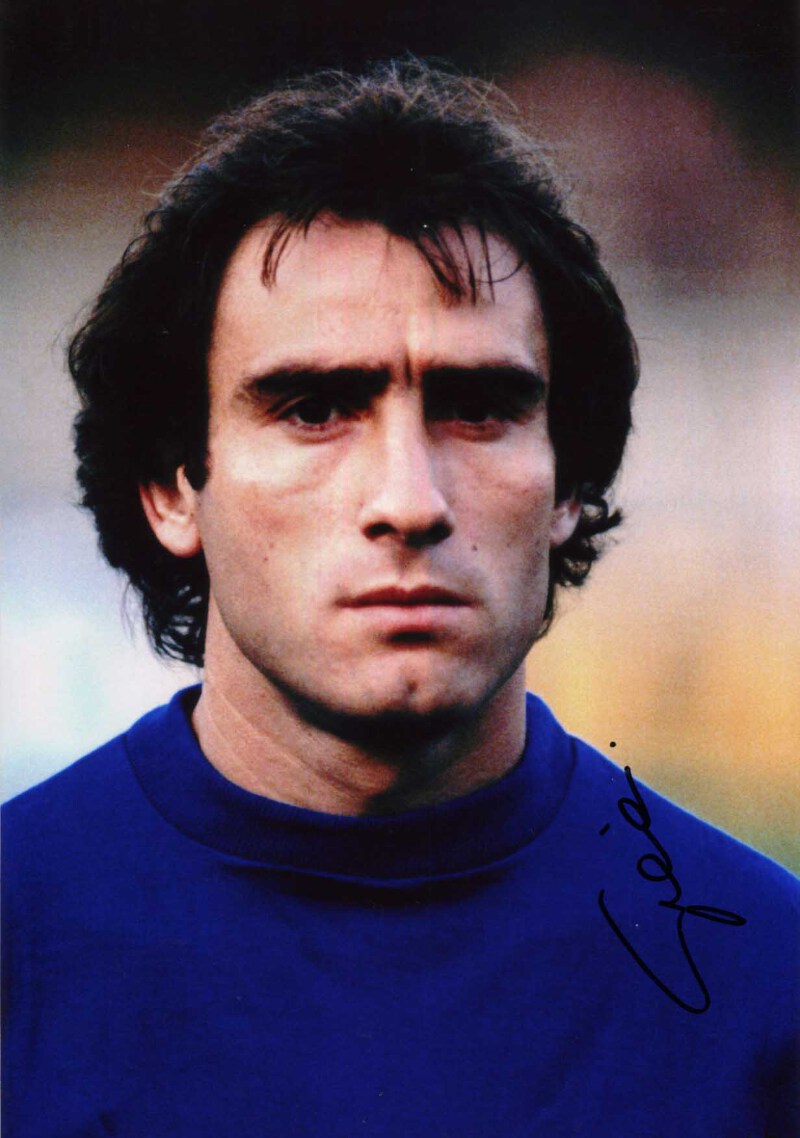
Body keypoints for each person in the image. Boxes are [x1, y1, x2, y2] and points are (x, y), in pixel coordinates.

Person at [3, 59, 797, 1136]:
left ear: (568, 486)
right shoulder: (22, 941)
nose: (409, 500)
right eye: (315, 408)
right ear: (172, 486)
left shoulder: (764, 979)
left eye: (478, 409)